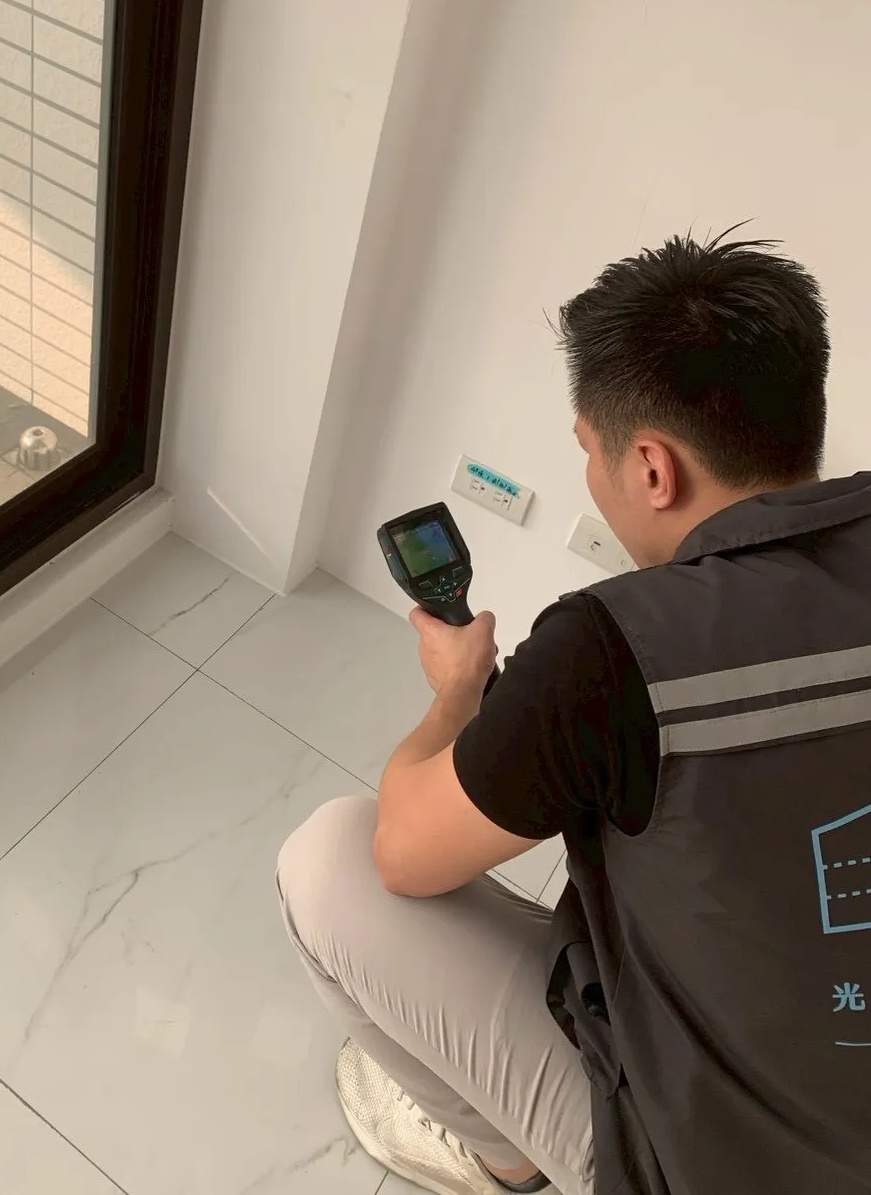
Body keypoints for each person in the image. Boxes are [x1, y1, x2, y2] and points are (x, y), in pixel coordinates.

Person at [277, 231, 871, 1195]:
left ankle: (505, 1158)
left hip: (699, 1169)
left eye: (590, 451)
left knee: (329, 860)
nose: (592, 474)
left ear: (652, 469)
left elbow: (404, 850)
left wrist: (456, 695)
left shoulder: (614, 648)